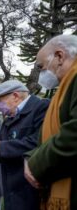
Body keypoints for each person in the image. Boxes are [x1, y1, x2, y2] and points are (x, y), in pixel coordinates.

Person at [0, 80, 50, 210]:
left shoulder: (42, 108)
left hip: (33, 190)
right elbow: (5, 152)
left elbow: (39, 142)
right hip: (12, 192)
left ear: (16, 96)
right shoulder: (9, 119)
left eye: (0, 101)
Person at [24, 34, 77, 209]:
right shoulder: (63, 89)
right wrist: (30, 158)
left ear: (59, 56)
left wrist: (35, 164)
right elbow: (46, 137)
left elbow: (73, 134)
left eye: (41, 67)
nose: (40, 74)